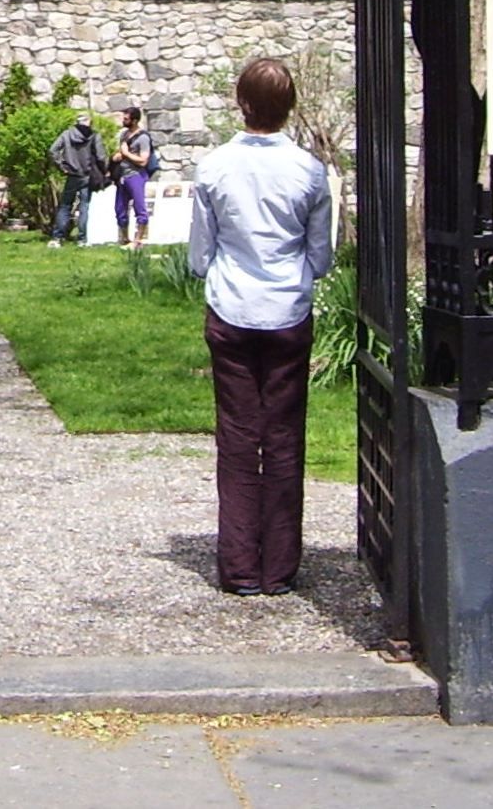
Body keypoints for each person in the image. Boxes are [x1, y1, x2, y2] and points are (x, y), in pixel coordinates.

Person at [188, 58, 332, 599]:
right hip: (288, 308)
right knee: (284, 435)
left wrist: (219, 269)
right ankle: (279, 568)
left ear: (241, 102)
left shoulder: (215, 167)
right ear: (290, 106)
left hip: (232, 307)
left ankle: (240, 565)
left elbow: (200, 254)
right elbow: (321, 255)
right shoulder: (308, 171)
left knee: (237, 435)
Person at [48, 116, 109, 248]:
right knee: (84, 206)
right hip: (87, 175)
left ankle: (57, 238)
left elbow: (53, 150)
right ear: (90, 123)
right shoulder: (94, 136)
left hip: (72, 174)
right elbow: (101, 157)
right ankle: (82, 239)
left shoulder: (67, 134)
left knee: (65, 206)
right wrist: (105, 171)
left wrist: (61, 166)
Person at [113, 106, 153, 247]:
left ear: (134, 121)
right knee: (120, 209)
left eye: (126, 119)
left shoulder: (143, 138)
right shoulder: (124, 135)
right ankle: (125, 239)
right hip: (122, 176)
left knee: (139, 207)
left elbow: (143, 160)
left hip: (136, 176)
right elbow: (122, 153)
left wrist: (126, 153)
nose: (123, 121)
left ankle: (138, 240)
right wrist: (118, 156)